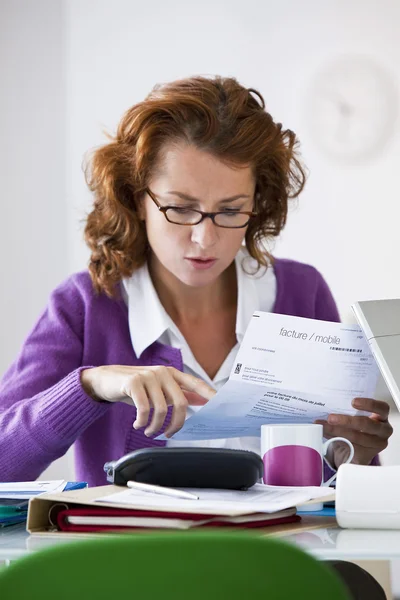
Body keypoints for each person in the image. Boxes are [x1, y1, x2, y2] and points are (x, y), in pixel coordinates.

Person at [0, 76, 392, 487]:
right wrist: (92, 384)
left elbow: (334, 490)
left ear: (257, 202)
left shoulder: (302, 291)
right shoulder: (84, 305)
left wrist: (355, 458)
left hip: (279, 552)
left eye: (230, 210)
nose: (205, 239)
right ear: (138, 198)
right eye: (180, 209)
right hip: (133, 553)